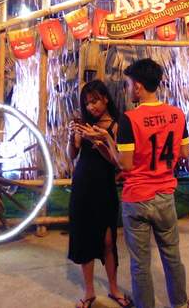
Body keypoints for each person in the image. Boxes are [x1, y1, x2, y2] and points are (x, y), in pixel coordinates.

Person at [116, 59, 189, 308]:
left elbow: (125, 165)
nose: (128, 89)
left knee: (140, 263)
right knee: (172, 256)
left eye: (128, 85)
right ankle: (180, 304)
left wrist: (106, 143)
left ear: (138, 86)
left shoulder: (129, 119)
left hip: (136, 197)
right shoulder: (176, 114)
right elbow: (184, 153)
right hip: (164, 196)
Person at [66, 80, 132, 308]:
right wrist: (72, 138)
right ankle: (89, 292)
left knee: (107, 239)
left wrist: (102, 139)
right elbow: (72, 156)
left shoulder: (116, 124)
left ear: (105, 98)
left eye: (95, 101)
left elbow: (118, 163)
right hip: (82, 185)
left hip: (105, 186)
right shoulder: (84, 124)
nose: (92, 107)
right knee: (84, 237)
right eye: (87, 103)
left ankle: (114, 289)